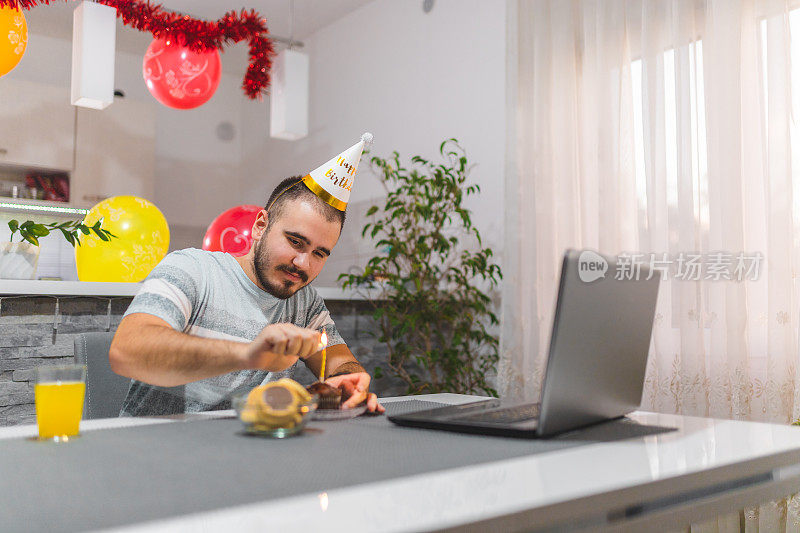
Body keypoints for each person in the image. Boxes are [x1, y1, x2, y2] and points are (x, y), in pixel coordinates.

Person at [110, 174, 384, 416]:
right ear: (260, 226)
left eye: (319, 253)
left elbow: (340, 364)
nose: (303, 263)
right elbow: (127, 351)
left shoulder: (304, 303)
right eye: (295, 241)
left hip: (247, 453)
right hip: (151, 450)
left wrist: (348, 382)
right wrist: (249, 355)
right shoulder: (192, 269)